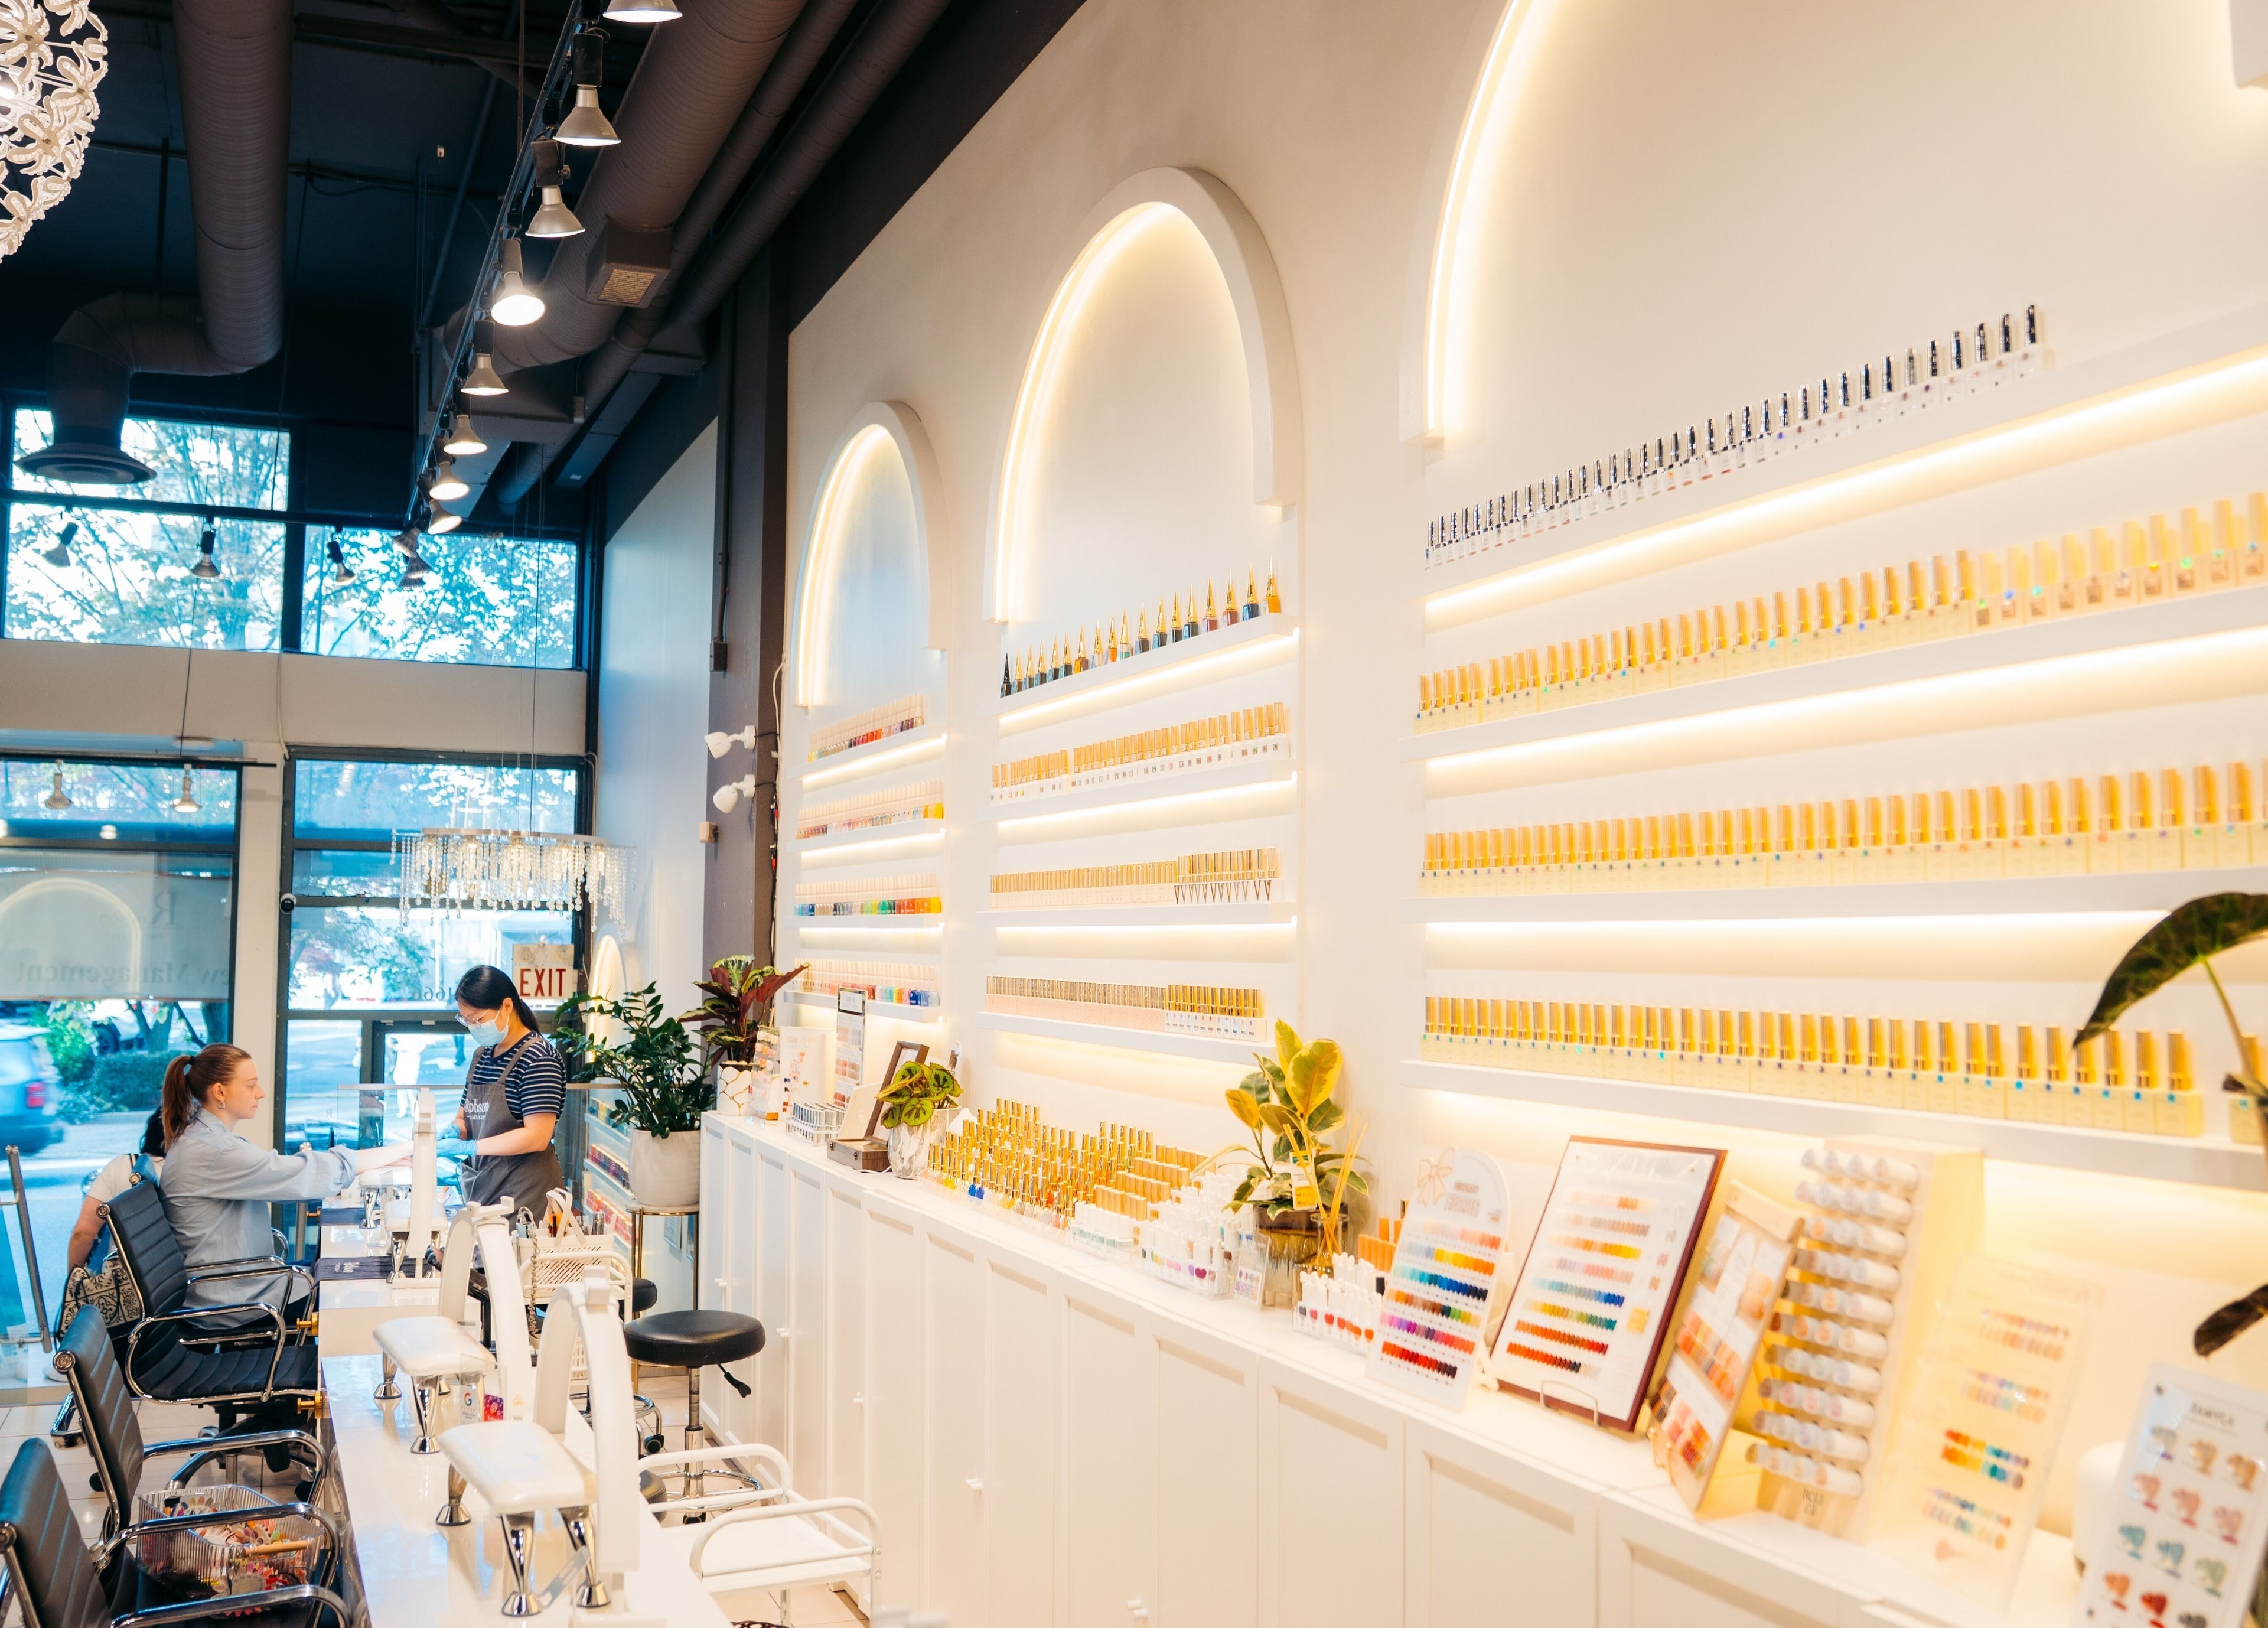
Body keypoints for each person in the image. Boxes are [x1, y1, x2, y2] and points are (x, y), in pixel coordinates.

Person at [158, 1043, 410, 1324]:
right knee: (358, 1297)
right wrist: (405, 1147)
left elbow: (286, 1181)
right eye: (251, 1085)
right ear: (220, 1092)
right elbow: (300, 1176)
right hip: (236, 1300)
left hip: (241, 1285)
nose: (261, 1093)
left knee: (339, 1277)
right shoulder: (213, 1151)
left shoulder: (206, 1140)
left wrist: (375, 1163)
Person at [439, 965, 566, 1219]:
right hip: (486, 1189)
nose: (473, 1027)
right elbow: (466, 1117)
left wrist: (472, 1148)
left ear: (507, 1006)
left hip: (527, 1197)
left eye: (478, 1019)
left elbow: (538, 1136)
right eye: (467, 1020)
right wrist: (455, 1131)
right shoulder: (482, 1056)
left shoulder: (538, 1058)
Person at [67, 1109, 164, 1269]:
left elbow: (83, 1234)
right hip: (183, 1278)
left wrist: (74, 1282)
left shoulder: (122, 1166)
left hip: (124, 1282)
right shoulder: (193, 1172)